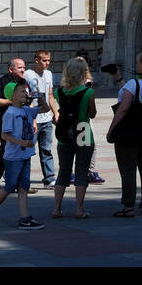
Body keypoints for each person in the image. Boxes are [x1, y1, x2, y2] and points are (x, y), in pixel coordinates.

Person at [107, 50, 142, 218]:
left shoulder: (133, 83)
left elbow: (123, 109)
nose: (136, 64)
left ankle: (128, 206)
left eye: (138, 62)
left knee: (128, 169)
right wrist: (118, 78)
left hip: (130, 129)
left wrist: (111, 130)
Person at [0, 80, 44, 230]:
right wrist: (22, 143)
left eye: (25, 91)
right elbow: (5, 135)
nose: (25, 93)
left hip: (25, 156)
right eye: (21, 92)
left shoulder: (26, 110)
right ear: (13, 96)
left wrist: (41, 97)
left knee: (24, 187)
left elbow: (45, 109)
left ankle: (24, 219)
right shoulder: (10, 113)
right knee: (10, 186)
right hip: (13, 157)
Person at [52, 57, 96, 220]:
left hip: (64, 133)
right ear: (83, 73)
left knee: (63, 171)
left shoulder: (59, 92)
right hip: (83, 132)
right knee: (81, 172)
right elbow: (92, 113)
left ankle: (57, 208)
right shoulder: (88, 92)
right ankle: (79, 209)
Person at [0, 58, 29, 191]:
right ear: (11, 69)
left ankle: (21, 184)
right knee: (7, 150)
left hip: (22, 121)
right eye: (20, 68)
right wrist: (12, 101)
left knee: (22, 151)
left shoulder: (24, 82)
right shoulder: (2, 82)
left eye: (24, 67)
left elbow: (28, 101)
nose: (23, 70)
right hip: (7, 121)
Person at [24, 49, 57, 188]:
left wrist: (56, 113)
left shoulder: (49, 74)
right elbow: (28, 98)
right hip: (34, 119)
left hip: (46, 118)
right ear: (36, 60)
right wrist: (32, 119)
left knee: (47, 149)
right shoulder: (28, 75)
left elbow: (50, 96)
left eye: (49, 60)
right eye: (44, 60)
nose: (47, 63)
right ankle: (20, 178)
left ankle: (49, 179)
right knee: (27, 150)